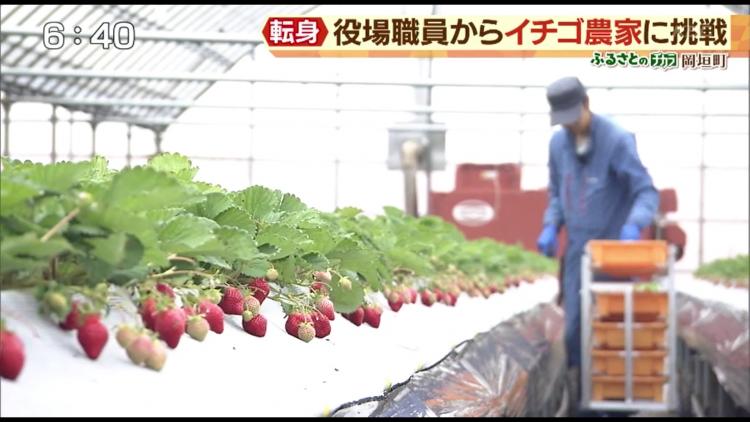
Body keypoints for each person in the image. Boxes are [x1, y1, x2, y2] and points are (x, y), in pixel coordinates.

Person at [536, 76, 660, 413]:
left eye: (574, 118)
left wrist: (634, 225)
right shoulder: (558, 146)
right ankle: (585, 399)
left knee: (613, 330)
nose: (570, 127)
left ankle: (616, 403)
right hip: (578, 251)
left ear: (587, 105)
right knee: (575, 326)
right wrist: (551, 225)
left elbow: (646, 191)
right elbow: (556, 192)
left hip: (612, 255)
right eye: (563, 122)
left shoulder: (617, 141)